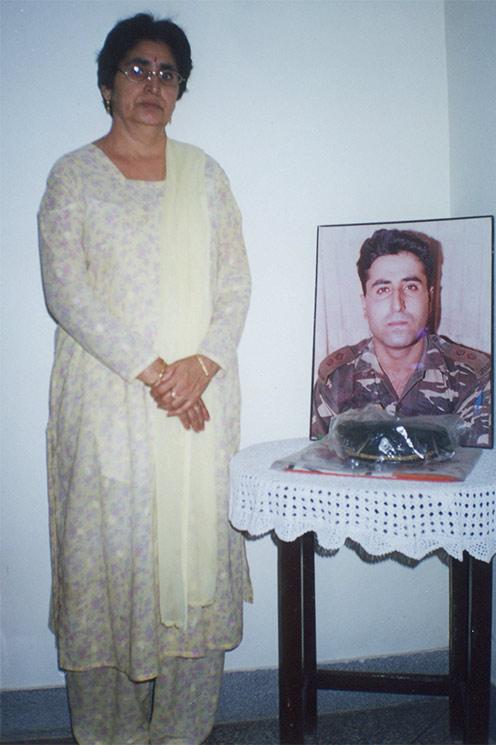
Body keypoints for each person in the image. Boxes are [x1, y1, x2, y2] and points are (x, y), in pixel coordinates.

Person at [38, 13, 251, 745]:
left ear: (181, 88)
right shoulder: (73, 176)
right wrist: (160, 372)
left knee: (193, 562)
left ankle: (184, 731)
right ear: (106, 85)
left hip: (198, 403)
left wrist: (202, 365)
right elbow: (67, 291)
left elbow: (236, 284)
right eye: (136, 69)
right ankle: (110, 735)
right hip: (107, 405)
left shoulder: (206, 177)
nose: (151, 83)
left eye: (166, 72)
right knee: (111, 563)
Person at [311, 228, 491, 447]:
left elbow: (480, 471)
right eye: (382, 289)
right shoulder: (336, 379)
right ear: (364, 304)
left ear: (430, 298)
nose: (398, 304)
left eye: (411, 287)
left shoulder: (473, 378)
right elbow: (322, 464)